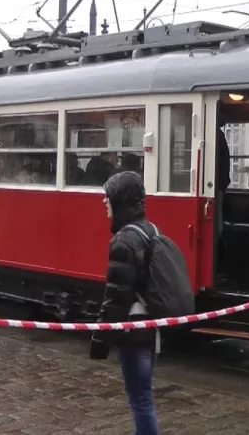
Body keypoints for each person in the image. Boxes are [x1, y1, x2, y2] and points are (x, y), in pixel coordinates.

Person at [89, 171, 160, 434]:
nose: (104, 202)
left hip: (133, 331)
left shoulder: (123, 240)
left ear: (119, 200)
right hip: (151, 328)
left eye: (108, 197)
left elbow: (116, 297)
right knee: (144, 397)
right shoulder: (150, 230)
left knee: (140, 400)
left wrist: (99, 340)